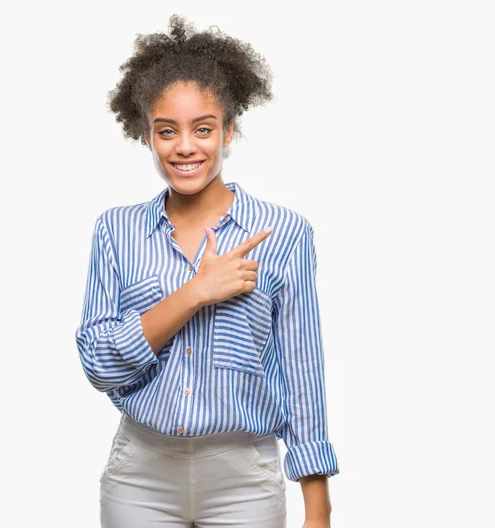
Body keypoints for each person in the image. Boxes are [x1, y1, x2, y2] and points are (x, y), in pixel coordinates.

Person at [75, 14, 339, 528]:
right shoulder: (117, 231)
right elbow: (98, 363)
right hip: (140, 474)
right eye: (166, 131)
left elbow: (302, 369)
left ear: (228, 130)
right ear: (146, 135)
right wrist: (195, 292)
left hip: (244, 475)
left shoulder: (283, 231)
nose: (186, 147)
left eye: (203, 128)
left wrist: (319, 507)